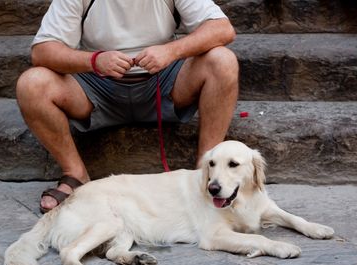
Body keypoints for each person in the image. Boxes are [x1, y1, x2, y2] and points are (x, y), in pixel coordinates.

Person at [16, 0, 238, 213]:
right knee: (32, 84)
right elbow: (42, 51)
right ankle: (75, 173)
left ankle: (206, 170)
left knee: (222, 61)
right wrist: (94, 60)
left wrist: (171, 51)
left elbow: (222, 29)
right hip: (96, 86)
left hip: (163, 81)